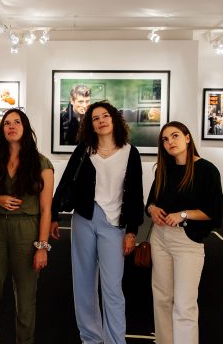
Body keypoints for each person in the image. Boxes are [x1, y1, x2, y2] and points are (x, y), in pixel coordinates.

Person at [51, 101, 144, 344]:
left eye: (105, 116)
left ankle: (115, 340)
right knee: (83, 284)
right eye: (95, 118)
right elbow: (65, 183)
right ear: (90, 125)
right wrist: (53, 215)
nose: (101, 120)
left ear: (114, 120)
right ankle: (90, 338)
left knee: (112, 288)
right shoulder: (84, 149)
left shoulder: (129, 152)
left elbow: (135, 196)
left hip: (114, 224)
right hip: (84, 219)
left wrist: (132, 232)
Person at [0, 108, 54, 344]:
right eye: (6, 123)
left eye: (16, 122)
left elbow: (46, 210)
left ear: (26, 127)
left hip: (27, 229)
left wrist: (42, 247)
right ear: (1, 131)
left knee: (25, 295)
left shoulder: (42, 163)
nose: (11, 126)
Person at [145, 121, 223, 344]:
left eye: (175, 136)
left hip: (187, 242)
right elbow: (150, 201)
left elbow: (214, 213)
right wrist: (153, 209)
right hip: (160, 237)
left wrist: (184, 214)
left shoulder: (207, 170)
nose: (170, 142)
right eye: (165, 139)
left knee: (184, 304)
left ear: (188, 138)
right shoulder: (164, 169)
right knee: (161, 298)